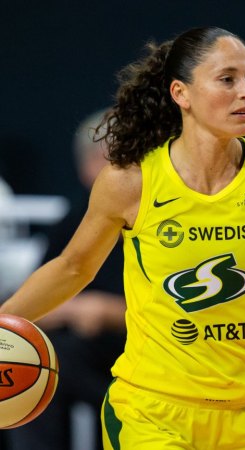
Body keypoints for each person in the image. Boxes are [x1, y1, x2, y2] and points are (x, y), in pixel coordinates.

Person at [0, 27, 245, 450]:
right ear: (181, 93)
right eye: (227, 79)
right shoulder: (130, 180)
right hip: (150, 411)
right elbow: (72, 268)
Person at [5, 109, 127, 450]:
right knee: (33, 363)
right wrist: (74, 310)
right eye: (114, 157)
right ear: (88, 166)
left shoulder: (161, 220)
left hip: (146, 352)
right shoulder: (74, 221)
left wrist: (107, 311)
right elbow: (48, 286)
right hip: (80, 353)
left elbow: (180, 309)